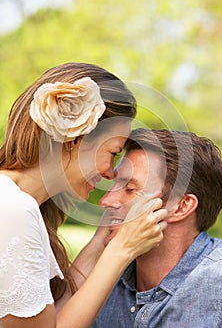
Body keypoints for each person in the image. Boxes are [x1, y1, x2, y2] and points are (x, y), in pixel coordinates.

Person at [0, 63, 168, 328]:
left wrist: (101, 241)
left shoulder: (19, 203)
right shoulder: (13, 209)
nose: (112, 174)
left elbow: (54, 317)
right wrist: (121, 250)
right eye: (113, 152)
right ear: (74, 138)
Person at [92, 128, 222, 328]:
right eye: (113, 186)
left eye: (130, 189)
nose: (106, 201)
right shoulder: (101, 281)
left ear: (182, 207)